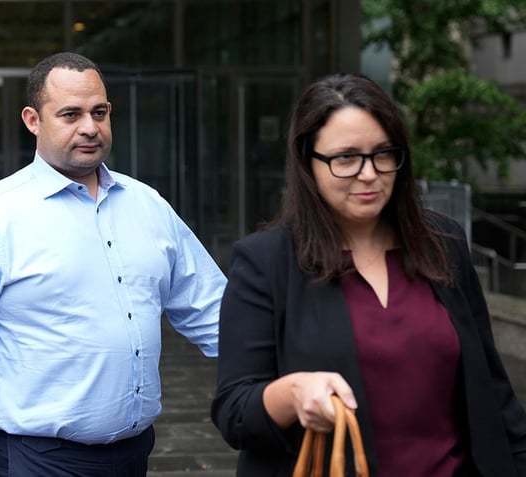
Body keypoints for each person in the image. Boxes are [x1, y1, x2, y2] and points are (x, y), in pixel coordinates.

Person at [0, 51, 228, 476]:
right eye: (70, 114)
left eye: (98, 112)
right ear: (33, 120)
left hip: (133, 453)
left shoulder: (148, 206)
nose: (89, 127)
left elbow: (212, 310)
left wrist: (287, 369)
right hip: (37, 459)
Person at [211, 72, 526, 476]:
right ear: (308, 161)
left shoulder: (443, 243)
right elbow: (235, 411)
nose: (369, 173)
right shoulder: (265, 261)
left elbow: (495, 395)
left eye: (383, 153)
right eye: (345, 158)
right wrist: (292, 394)